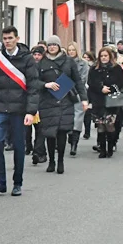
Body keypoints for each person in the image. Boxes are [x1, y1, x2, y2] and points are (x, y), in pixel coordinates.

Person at [0, 26, 40, 198]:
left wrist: (31, 111)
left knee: (18, 146)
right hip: (0, 108)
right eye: (5, 38)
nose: (8, 41)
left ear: (17, 38)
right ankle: (0, 182)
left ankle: (17, 182)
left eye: (10, 38)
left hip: (19, 109)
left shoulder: (27, 59)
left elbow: (33, 86)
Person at [36, 36, 87, 174]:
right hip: (47, 101)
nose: (52, 47)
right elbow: (34, 81)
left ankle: (60, 161)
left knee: (62, 131)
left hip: (65, 99)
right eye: (50, 45)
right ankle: (51, 160)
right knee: (49, 133)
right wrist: (46, 84)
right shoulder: (42, 63)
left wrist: (84, 99)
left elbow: (77, 81)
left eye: (55, 45)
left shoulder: (68, 61)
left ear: (59, 46)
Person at [88, 47, 123, 158]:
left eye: (106, 56)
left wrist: (110, 89)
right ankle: (102, 149)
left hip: (111, 101)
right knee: (100, 125)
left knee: (109, 124)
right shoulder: (94, 68)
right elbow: (90, 82)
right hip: (98, 100)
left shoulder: (116, 68)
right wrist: (100, 88)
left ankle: (110, 147)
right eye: (102, 56)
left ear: (110, 56)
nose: (104, 58)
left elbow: (120, 82)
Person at [66, 42, 90, 156]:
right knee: (68, 117)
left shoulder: (83, 64)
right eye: (69, 50)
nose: (71, 52)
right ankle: (70, 136)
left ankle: (74, 143)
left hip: (78, 93)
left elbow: (83, 79)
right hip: (66, 93)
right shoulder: (64, 62)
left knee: (78, 118)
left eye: (73, 50)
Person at [82, 51, 96, 140]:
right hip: (83, 90)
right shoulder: (81, 66)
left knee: (88, 112)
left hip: (91, 91)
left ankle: (87, 131)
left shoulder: (93, 67)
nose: (86, 59)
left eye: (88, 57)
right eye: (84, 57)